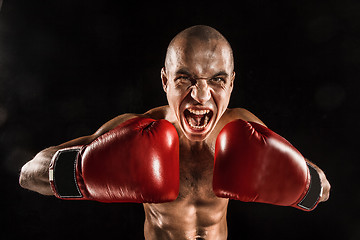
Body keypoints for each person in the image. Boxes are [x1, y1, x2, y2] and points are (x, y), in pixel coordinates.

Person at [19, 25, 330, 240]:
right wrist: (82, 170)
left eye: (217, 80)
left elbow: (321, 187)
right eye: (185, 79)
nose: (201, 96)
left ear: (232, 83)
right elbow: (28, 174)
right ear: (166, 81)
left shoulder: (242, 130)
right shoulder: (137, 129)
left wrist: (303, 182)